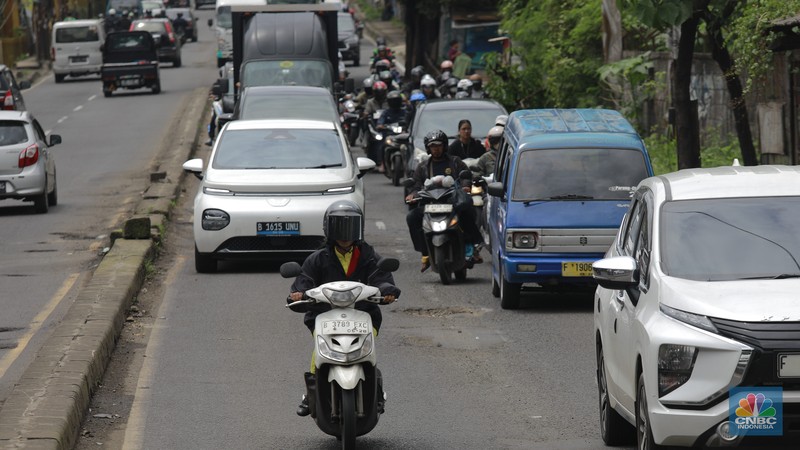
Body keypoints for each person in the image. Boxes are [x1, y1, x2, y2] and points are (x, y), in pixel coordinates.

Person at [288, 200, 401, 416]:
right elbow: (304, 281)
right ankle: (311, 394)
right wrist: (298, 293)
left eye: (350, 226)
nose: (345, 234)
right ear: (328, 229)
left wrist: (387, 290)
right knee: (319, 350)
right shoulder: (317, 259)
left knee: (367, 350)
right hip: (324, 316)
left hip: (365, 314)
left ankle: (376, 392)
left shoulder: (368, 255)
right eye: (339, 227)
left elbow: (381, 277)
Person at [405, 130, 483, 272]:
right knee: (412, 217)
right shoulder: (423, 167)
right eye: (432, 146)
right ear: (428, 148)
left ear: (445, 146)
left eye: (438, 145)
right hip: (430, 205)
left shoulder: (455, 162)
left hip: (453, 204)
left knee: (467, 209)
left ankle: (472, 246)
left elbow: (466, 176)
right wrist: (412, 194)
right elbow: (416, 184)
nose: (436, 148)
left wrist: (465, 186)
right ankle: (425, 253)